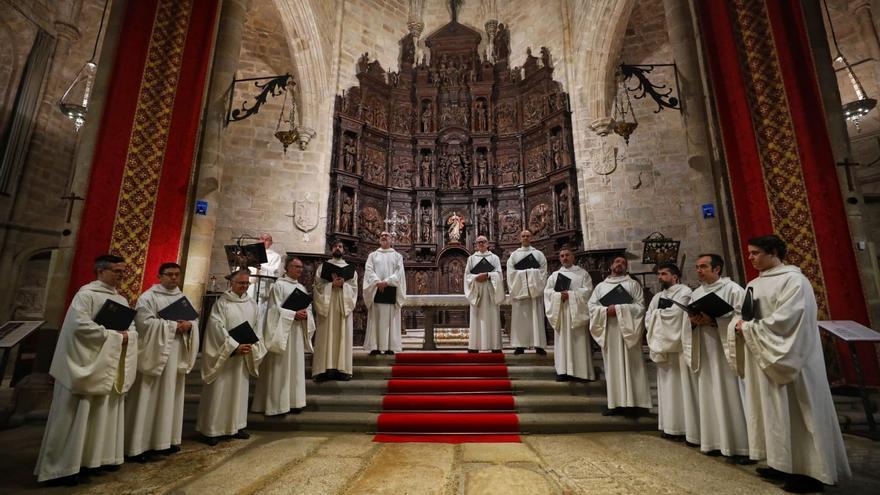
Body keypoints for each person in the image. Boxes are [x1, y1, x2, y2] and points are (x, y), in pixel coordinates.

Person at [729, 235, 850, 492]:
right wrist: (740, 325)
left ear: (773, 252)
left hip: (793, 359)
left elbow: (790, 320)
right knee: (773, 412)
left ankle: (811, 472)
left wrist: (749, 328)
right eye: (749, 253)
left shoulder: (794, 281)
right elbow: (745, 314)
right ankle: (780, 462)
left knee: (799, 412)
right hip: (765, 357)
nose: (750, 258)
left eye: (755, 253)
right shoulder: (753, 283)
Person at [35, 255, 138, 485]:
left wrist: (129, 336)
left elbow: (130, 327)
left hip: (105, 364)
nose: (122, 276)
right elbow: (79, 327)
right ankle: (63, 468)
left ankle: (93, 461)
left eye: (123, 272)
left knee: (100, 415)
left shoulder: (120, 299)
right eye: (117, 271)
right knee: (75, 415)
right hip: (84, 364)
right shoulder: (86, 295)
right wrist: (114, 336)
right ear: (100, 270)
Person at [125, 262, 199, 462]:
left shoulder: (182, 297)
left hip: (175, 353)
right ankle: (139, 446)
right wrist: (173, 327)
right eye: (170, 275)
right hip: (155, 353)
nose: (174, 278)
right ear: (159, 276)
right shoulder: (148, 297)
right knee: (148, 398)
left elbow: (194, 321)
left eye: (177, 275)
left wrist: (189, 325)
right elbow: (143, 323)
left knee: (170, 397)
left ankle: (165, 441)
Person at [689, 254, 750, 461]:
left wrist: (715, 321)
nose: (699, 270)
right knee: (710, 393)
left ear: (717, 269)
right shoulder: (696, 293)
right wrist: (694, 320)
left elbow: (743, 319)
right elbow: (687, 321)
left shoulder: (733, 290)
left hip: (728, 352)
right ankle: (715, 442)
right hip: (706, 350)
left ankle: (741, 447)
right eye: (697, 267)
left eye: (703, 266)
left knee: (731, 394)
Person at [196, 269, 266, 445]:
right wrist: (234, 347)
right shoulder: (222, 303)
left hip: (243, 356)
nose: (244, 286)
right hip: (225, 356)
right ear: (231, 283)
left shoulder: (252, 304)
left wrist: (251, 346)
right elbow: (215, 327)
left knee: (238, 392)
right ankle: (212, 430)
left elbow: (257, 328)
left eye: (246, 283)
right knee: (219, 391)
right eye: (241, 283)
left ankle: (236, 426)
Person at [587, 256, 652, 416]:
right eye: (617, 262)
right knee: (612, 367)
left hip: (628, 332)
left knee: (633, 366)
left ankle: (637, 404)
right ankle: (615, 404)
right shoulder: (601, 287)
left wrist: (619, 309)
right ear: (611, 265)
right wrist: (604, 311)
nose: (620, 265)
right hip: (610, 330)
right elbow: (592, 307)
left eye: (623, 263)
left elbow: (640, 307)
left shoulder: (633, 284)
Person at [252, 257, 314, 416]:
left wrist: (307, 314)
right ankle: (277, 405)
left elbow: (308, 308)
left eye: (301, 267)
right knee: (281, 366)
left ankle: (294, 402)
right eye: (296, 266)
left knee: (295, 366)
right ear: (287, 267)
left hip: (297, 333)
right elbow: (273, 310)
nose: (299, 269)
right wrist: (293, 314)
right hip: (282, 333)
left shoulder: (301, 287)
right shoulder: (278, 285)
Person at [645, 262, 698, 443]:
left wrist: (657, 315)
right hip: (664, 349)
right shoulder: (658, 296)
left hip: (679, 349)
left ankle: (687, 429)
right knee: (667, 389)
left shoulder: (685, 293)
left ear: (675, 276)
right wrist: (657, 315)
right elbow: (648, 316)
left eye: (664, 274)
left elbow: (678, 316)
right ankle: (671, 427)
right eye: (659, 274)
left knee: (682, 388)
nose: (660, 277)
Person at [543, 247, 594, 381]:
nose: (564, 258)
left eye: (567, 255)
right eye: (562, 256)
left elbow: (588, 292)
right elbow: (547, 293)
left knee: (579, 342)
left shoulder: (583, 274)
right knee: (562, 342)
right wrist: (559, 296)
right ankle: (563, 371)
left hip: (576, 313)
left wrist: (570, 295)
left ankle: (582, 373)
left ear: (573, 257)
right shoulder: (554, 276)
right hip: (562, 313)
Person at [312, 240, 358, 381]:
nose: (338, 248)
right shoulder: (322, 267)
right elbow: (317, 286)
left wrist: (343, 285)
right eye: (335, 246)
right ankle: (322, 370)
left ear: (343, 250)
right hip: (328, 303)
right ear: (331, 249)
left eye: (340, 246)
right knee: (326, 335)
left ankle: (342, 370)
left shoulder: (350, 269)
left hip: (343, 304)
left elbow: (354, 288)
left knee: (342, 335)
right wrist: (332, 284)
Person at [363, 232, 406, 356]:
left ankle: (389, 347)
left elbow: (400, 272)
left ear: (391, 239)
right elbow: (369, 270)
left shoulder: (397, 256)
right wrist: (377, 282)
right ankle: (375, 346)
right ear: (379, 239)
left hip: (390, 290)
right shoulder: (373, 255)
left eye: (386, 235)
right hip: (376, 290)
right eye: (381, 235)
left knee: (389, 321)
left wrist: (387, 282)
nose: (384, 237)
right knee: (376, 318)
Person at [507, 230, 548, 355]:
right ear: (520, 238)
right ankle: (520, 345)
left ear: (531, 237)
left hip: (534, 293)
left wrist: (529, 273)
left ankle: (538, 345)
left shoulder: (538, 254)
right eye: (523, 236)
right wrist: (527, 273)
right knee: (520, 319)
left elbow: (543, 271)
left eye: (527, 236)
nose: (525, 238)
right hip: (520, 293)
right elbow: (510, 273)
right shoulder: (514, 255)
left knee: (537, 318)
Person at [464, 235, 505, 353]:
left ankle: (495, 346)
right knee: (477, 318)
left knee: (492, 317)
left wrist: (487, 275)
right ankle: (474, 346)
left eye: (483, 242)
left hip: (490, 291)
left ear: (488, 244)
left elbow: (499, 275)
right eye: (479, 242)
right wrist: (477, 277)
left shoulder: (494, 258)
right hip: (477, 292)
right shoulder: (471, 259)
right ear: (476, 245)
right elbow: (467, 276)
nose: (481, 244)